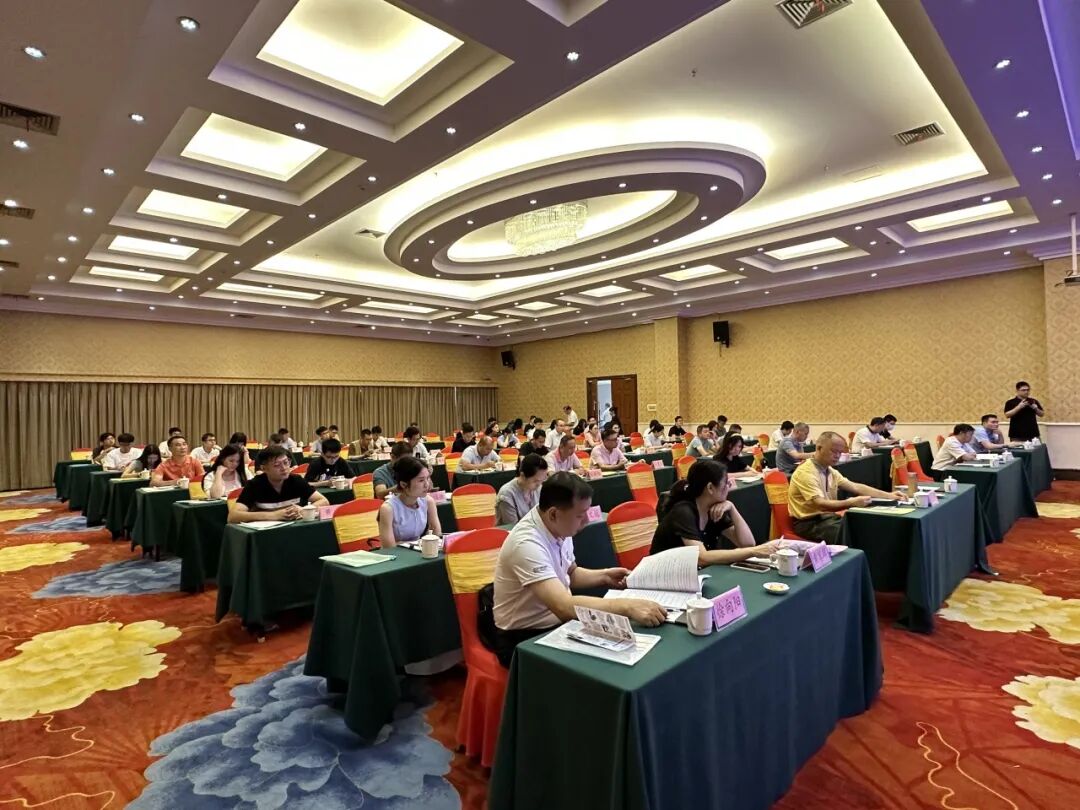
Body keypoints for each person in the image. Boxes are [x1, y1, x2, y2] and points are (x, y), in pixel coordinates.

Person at [492, 473, 666, 667]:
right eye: (580, 515)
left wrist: (605, 576)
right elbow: (563, 607)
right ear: (553, 514)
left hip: (558, 624)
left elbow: (570, 574)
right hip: (523, 637)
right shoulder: (526, 544)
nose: (586, 521)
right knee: (601, 666)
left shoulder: (557, 525)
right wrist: (627, 606)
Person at [650, 459, 777, 563]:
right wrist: (753, 552)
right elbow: (701, 557)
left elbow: (747, 543)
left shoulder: (714, 508)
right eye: (726, 483)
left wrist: (732, 508)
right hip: (664, 575)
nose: (729, 487)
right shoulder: (683, 511)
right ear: (710, 488)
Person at [788, 431, 902, 542]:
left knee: (867, 525)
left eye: (840, 452)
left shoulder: (829, 470)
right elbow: (821, 504)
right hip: (808, 523)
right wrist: (851, 502)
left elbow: (856, 487)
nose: (837, 456)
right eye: (834, 451)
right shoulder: (806, 472)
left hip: (827, 518)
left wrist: (889, 495)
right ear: (819, 448)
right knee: (855, 535)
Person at [228, 446, 328, 523]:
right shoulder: (255, 485)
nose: (284, 468)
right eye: (277, 465)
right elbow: (233, 516)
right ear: (264, 468)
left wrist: (303, 510)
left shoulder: (296, 480)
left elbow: (324, 501)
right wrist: (273, 515)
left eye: (286, 462)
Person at [377, 455, 442, 548]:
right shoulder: (388, 509)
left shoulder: (428, 501)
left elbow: (436, 535)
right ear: (403, 484)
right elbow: (389, 547)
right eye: (421, 480)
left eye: (427, 478)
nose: (427, 484)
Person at [497, 454, 549, 524]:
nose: (539, 484)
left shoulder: (538, 488)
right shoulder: (506, 494)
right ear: (523, 475)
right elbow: (512, 526)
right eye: (536, 481)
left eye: (542, 480)